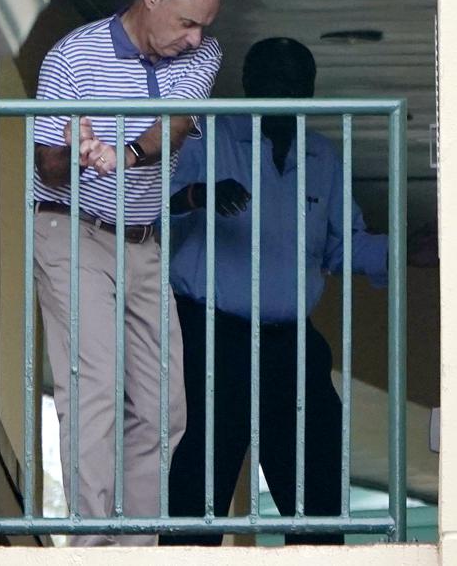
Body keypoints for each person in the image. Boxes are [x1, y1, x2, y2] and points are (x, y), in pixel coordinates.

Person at [160, 37, 388, 546]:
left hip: (290, 342)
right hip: (211, 338)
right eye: (274, 81)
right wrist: (198, 194)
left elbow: (343, 246)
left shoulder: (320, 154)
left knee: (318, 491)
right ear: (249, 84)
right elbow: (148, 204)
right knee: (198, 489)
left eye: (296, 84)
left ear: (311, 90)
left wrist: (408, 252)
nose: (285, 92)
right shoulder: (207, 135)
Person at [31, 0, 223, 546]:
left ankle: (135, 550)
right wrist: (76, 149)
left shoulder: (202, 55)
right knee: (93, 392)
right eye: (186, 23)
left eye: (203, 26)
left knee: (166, 409)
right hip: (72, 232)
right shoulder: (72, 57)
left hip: (143, 242)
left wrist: (124, 154)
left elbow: (176, 124)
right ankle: (92, 550)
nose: (195, 39)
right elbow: (47, 167)